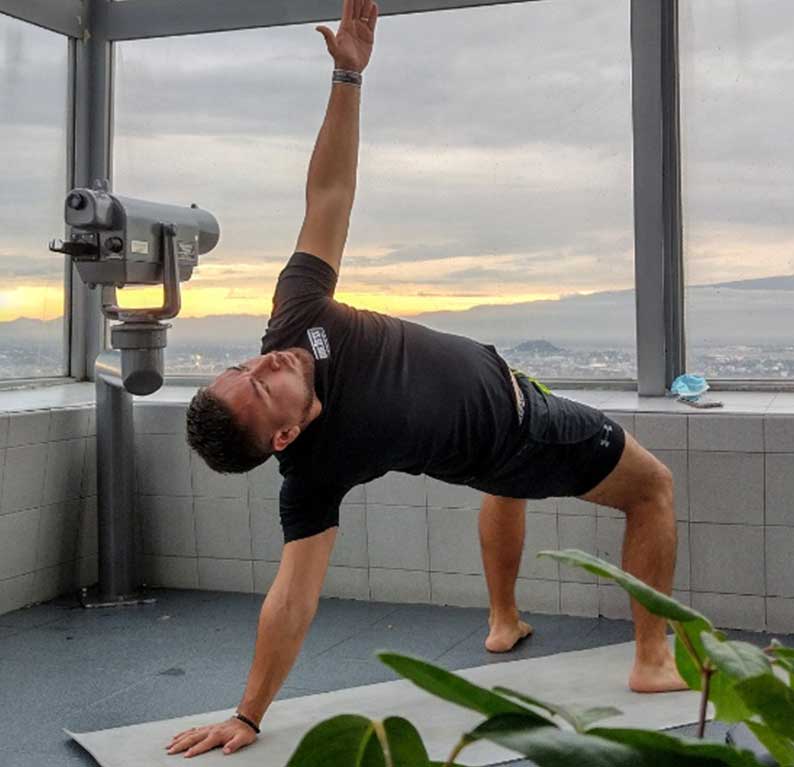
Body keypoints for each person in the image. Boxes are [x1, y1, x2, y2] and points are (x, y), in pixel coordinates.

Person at [169, 0, 683, 758]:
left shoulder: (294, 316)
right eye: (261, 386)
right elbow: (293, 596)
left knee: (503, 482)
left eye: (245, 365)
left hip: (487, 427)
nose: (267, 362)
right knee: (652, 487)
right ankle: (653, 658)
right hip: (519, 423)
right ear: (282, 434)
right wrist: (247, 714)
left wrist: (347, 73)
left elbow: (329, 198)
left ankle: (504, 620)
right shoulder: (312, 471)